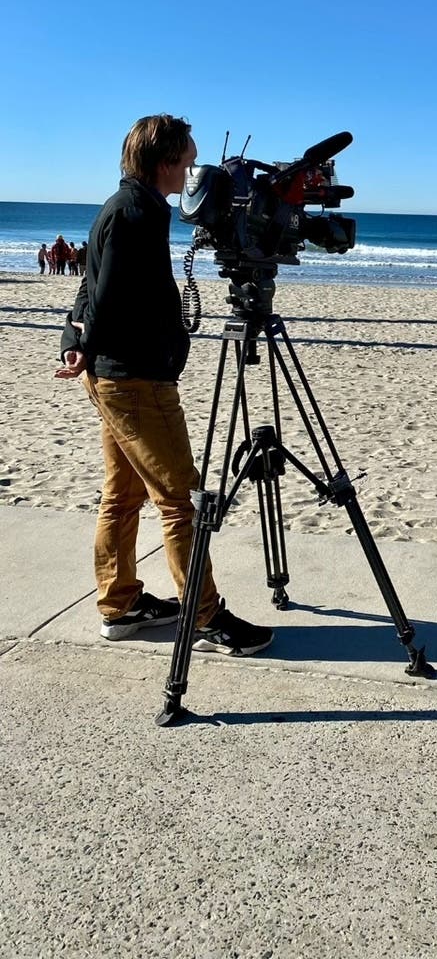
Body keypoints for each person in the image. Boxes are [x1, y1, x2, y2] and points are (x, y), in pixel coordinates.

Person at [56, 114, 273, 655]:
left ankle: (121, 604)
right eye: (187, 162)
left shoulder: (126, 205)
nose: (192, 172)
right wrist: (94, 342)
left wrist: (77, 341)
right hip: (134, 382)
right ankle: (204, 617)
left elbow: (90, 283)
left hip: (116, 376)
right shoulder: (134, 214)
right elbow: (103, 298)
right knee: (181, 501)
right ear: (164, 163)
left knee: (123, 495)